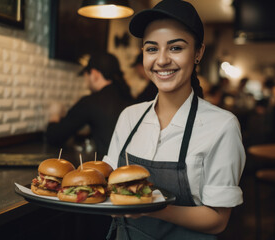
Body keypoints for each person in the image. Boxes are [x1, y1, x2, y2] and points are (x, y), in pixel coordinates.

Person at [103, 1, 246, 239]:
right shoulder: (129, 117)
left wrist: (152, 209)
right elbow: (110, 187)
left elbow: (218, 220)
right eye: (151, 49)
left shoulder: (222, 125)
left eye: (175, 48)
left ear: (198, 52)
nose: (161, 60)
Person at [45, 51, 134, 159]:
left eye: (86, 75)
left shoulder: (91, 102)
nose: (86, 80)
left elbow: (54, 137)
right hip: (131, 166)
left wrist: (55, 115)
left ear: (95, 75)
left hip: (109, 169)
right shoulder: (129, 97)